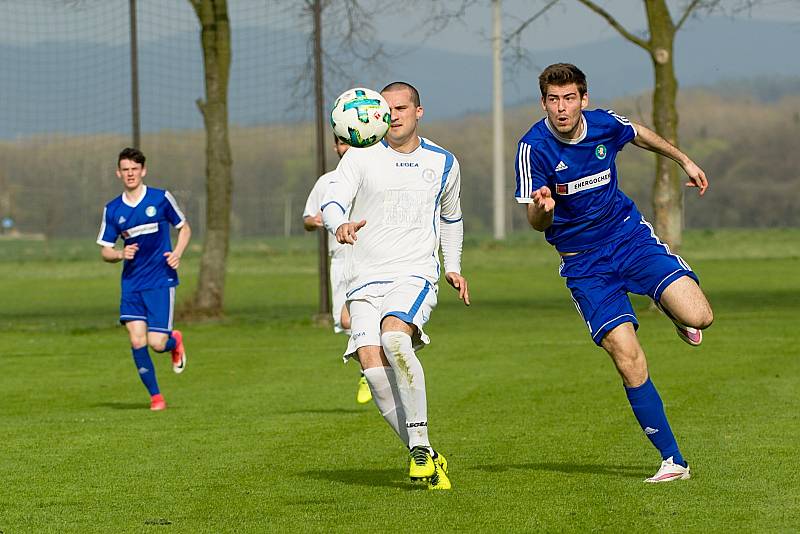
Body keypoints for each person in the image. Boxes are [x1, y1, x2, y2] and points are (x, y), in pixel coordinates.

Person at [514, 63, 714, 483]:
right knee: (627, 357)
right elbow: (535, 223)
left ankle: (674, 309)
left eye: (569, 98)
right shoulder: (533, 148)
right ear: (544, 103)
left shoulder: (603, 124)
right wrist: (541, 209)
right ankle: (673, 460)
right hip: (584, 263)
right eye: (553, 100)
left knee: (701, 317)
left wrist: (684, 160)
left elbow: (638, 132)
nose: (562, 108)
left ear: (583, 100)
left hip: (629, 238)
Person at [322, 81, 470, 490]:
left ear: (418, 111)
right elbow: (332, 199)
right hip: (363, 279)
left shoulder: (443, 162)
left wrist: (453, 266)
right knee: (372, 370)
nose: (395, 115)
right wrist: (340, 225)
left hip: (414, 274)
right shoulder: (359, 157)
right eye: (388, 108)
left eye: (403, 108)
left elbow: (452, 218)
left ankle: (420, 447)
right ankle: (426, 455)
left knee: (395, 340)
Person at [97, 147, 191, 411]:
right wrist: (119, 254)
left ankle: (175, 342)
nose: (130, 174)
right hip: (132, 284)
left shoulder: (161, 198)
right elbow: (105, 250)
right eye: (125, 169)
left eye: (134, 169)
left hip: (160, 280)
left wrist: (178, 254)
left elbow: (185, 228)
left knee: (156, 343)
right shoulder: (113, 209)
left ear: (143, 171)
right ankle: (156, 398)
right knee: (137, 341)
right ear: (118, 173)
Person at [303, 135, 372, 405]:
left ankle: (372, 367)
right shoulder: (327, 182)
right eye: (342, 143)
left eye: (350, 142)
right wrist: (315, 221)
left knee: (356, 318)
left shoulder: (373, 174)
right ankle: (369, 366)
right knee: (344, 321)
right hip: (340, 258)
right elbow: (307, 218)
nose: (346, 148)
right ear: (336, 147)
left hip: (370, 257)